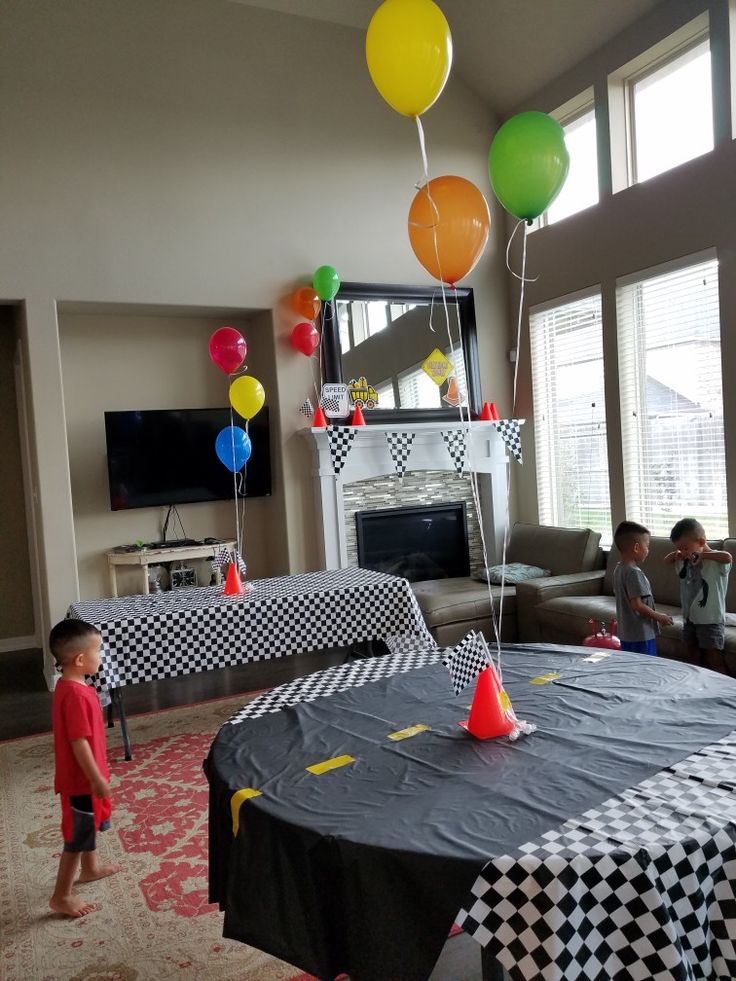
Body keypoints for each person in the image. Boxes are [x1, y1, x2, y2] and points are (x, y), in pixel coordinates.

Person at [48, 619, 121, 917]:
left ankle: (90, 869)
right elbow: (79, 743)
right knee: (77, 838)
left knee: (89, 825)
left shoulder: (72, 686)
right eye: (99, 651)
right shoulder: (75, 696)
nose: (101, 656)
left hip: (86, 777)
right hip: (81, 781)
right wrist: (95, 778)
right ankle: (61, 895)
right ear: (80, 660)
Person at [665, 517, 732, 674]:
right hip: (689, 619)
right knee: (692, 656)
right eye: (679, 548)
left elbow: (727, 557)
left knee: (714, 657)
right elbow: (666, 560)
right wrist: (678, 553)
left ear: (701, 542)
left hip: (711, 620)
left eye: (686, 548)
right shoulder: (685, 561)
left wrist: (704, 555)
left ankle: (727, 690)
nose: (683, 552)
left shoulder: (716, 562)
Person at [613, 521, 673, 655]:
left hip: (626, 633)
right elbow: (637, 605)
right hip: (640, 634)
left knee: (632, 668)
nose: (648, 550)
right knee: (646, 668)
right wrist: (659, 616)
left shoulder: (619, 569)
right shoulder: (634, 573)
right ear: (636, 548)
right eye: (647, 545)